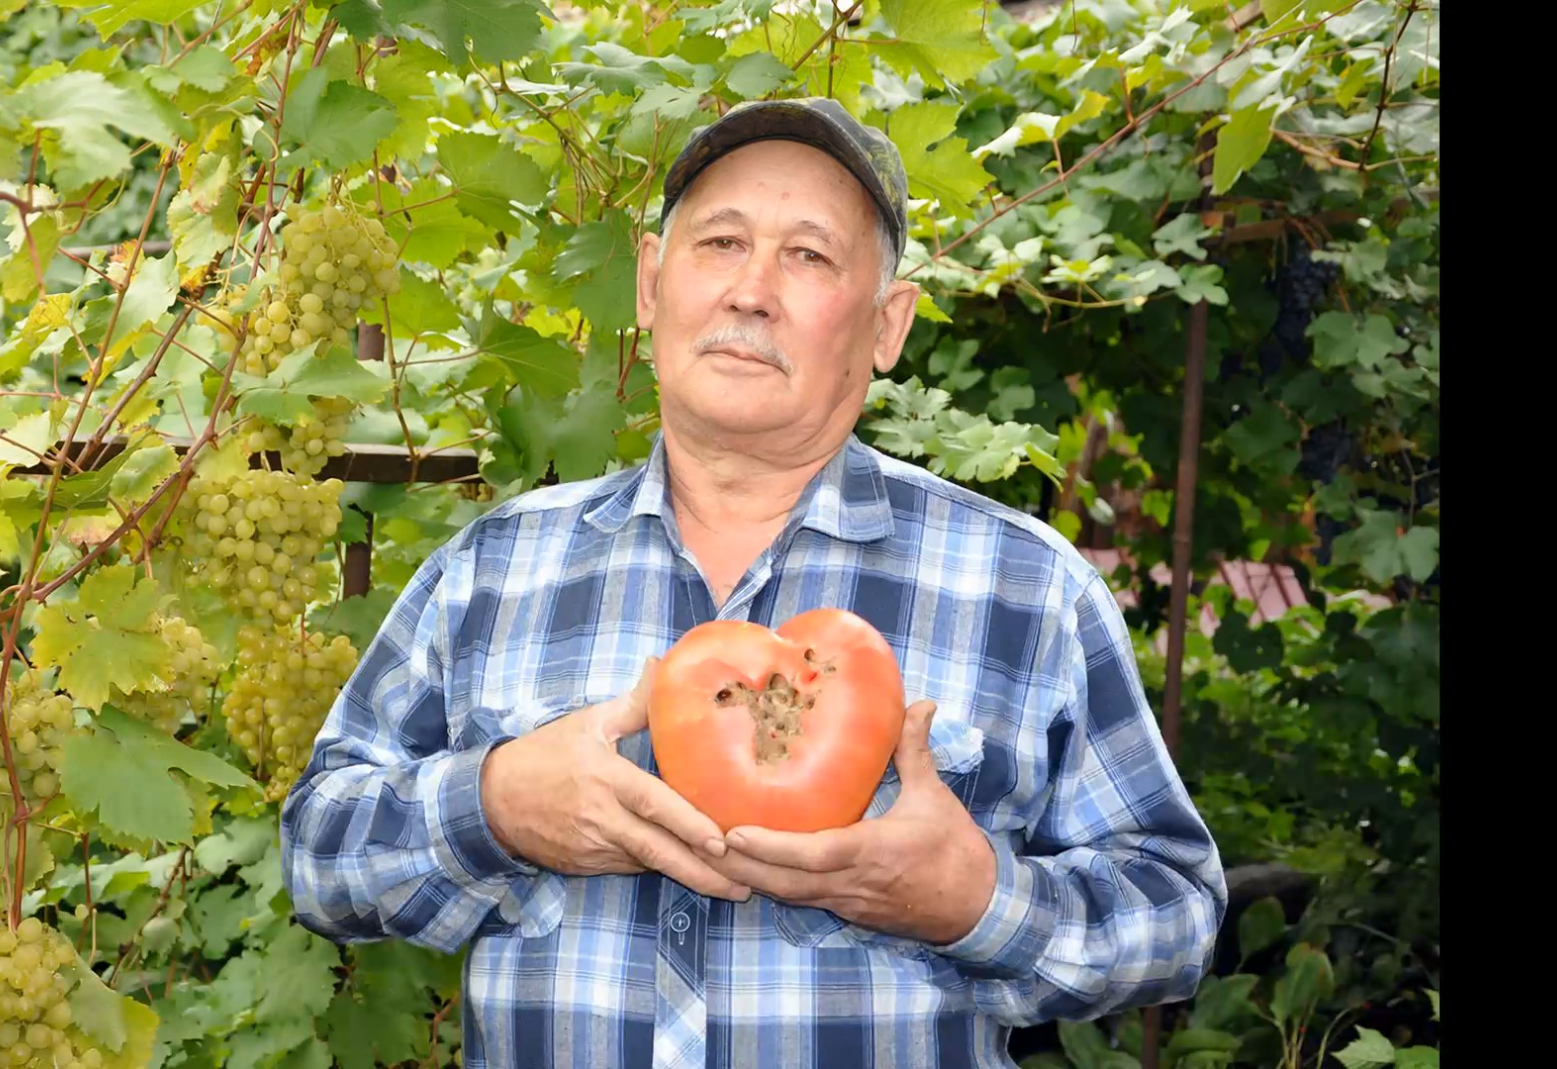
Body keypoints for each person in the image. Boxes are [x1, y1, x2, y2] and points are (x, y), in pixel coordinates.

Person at [281, 97, 1226, 1068]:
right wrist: (492, 804)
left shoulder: (1026, 590)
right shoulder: (489, 571)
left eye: (809, 256)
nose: (750, 291)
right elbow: (318, 854)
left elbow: (1175, 913)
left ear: (887, 324)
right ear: (650, 282)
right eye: (720, 242)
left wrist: (980, 901)